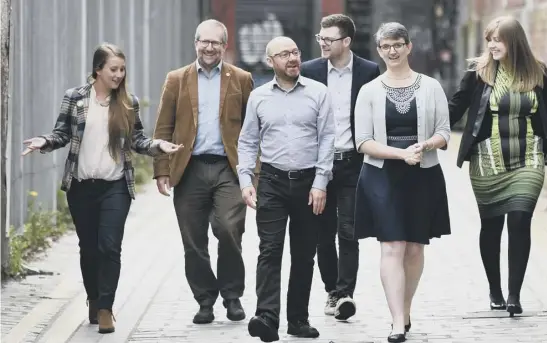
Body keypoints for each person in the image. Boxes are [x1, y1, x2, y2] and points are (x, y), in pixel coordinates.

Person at [21, 43, 182, 334]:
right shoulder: (75, 98)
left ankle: (106, 308)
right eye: (113, 69)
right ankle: (94, 298)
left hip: (115, 187)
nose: (119, 75)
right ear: (98, 69)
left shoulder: (128, 102)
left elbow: (138, 141)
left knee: (109, 247)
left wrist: (158, 146)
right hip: (81, 187)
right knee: (89, 249)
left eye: (122, 69)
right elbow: (61, 133)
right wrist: (44, 142)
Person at [447, 16, 547, 316]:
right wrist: (428, 130)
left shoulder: (537, 72)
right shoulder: (478, 72)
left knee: (520, 220)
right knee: (492, 225)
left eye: (499, 39)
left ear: (515, 42)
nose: (493, 45)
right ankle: (495, 290)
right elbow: (455, 108)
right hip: (487, 159)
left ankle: (514, 295)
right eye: (490, 40)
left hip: (529, 156)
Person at [353, 22, 451, 342]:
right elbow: (363, 141)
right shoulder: (369, 90)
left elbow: (444, 133)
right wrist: (400, 153)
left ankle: (405, 309)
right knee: (392, 245)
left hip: (423, 173)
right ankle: (397, 321)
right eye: (385, 46)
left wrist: (425, 146)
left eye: (398, 44)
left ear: (409, 47)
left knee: (414, 248)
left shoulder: (431, 86)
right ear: (379, 51)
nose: (392, 51)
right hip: (381, 174)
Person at [152, 19, 254, 324]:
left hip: (228, 169)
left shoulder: (241, 78)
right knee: (193, 240)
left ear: (225, 45)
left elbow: (253, 129)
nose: (210, 48)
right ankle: (205, 300)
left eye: (216, 43)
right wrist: (160, 169)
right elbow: (163, 126)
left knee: (228, 229)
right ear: (195, 43)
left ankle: (232, 295)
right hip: (189, 167)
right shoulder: (176, 79)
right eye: (204, 42)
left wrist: (254, 173)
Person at [237, 36, 335, 342]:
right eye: (283, 54)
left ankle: (298, 320)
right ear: (270, 62)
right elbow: (248, 141)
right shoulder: (259, 97)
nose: (292, 58)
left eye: (294, 52)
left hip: (309, 184)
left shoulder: (318, 93)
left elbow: (327, 139)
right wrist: (245, 180)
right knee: (269, 250)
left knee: (305, 254)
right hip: (272, 182)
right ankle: (266, 317)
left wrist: (321, 181)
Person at [300, 13, 380, 320]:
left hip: (352, 165)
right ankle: (331, 289)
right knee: (323, 232)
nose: (322, 43)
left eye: (329, 39)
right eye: (320, 38)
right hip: (319, 165)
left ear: (346, 41)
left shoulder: (369, 71)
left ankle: (345, 293)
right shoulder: (309, 71)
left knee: (349, 231)